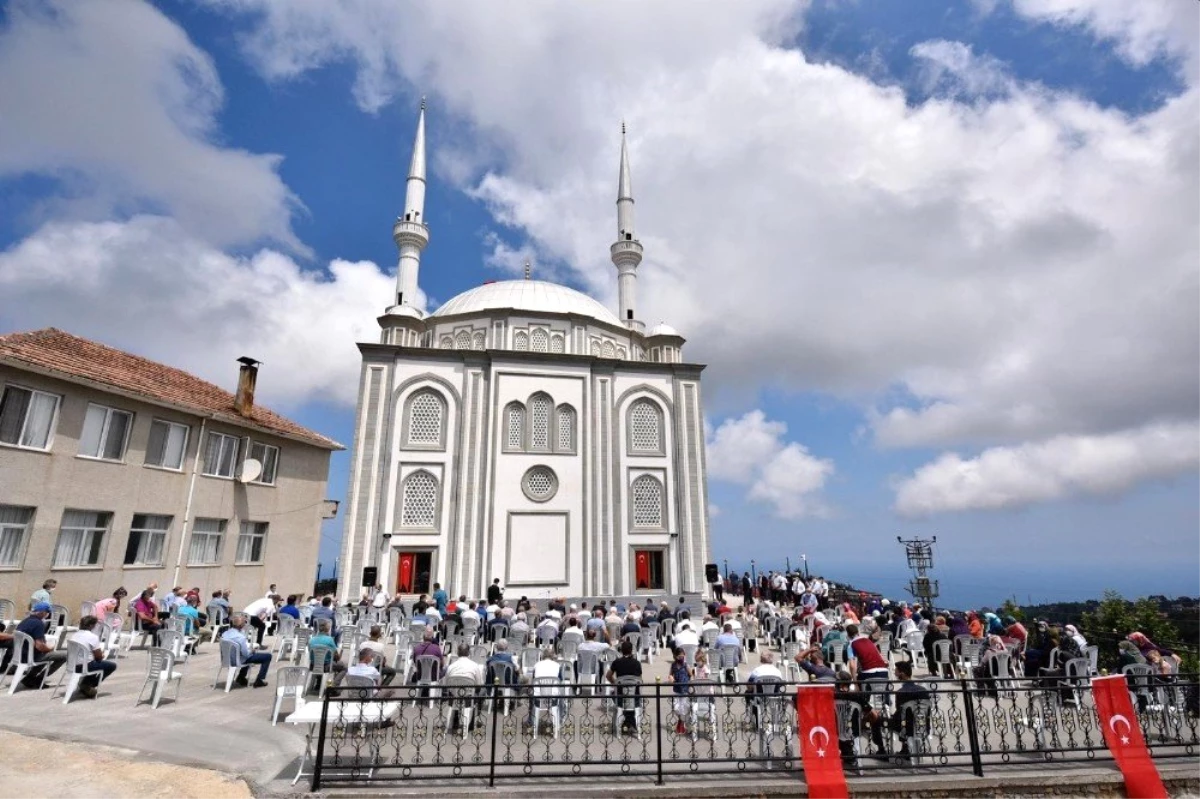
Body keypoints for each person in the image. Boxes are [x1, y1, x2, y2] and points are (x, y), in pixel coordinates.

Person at [16, 603, 67, 688]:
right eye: (48, 612)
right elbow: (39, 646)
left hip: (20, 654)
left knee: (45, 655)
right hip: (31, 656)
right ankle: (39, 679)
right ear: (43, 612)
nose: (48, 614)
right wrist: (49, 649)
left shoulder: (25, 621)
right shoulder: (38, 624)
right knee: (65, 655)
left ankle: (30, 678)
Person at [888, 661, 931, 760]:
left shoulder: (901, 692)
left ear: (902, 674)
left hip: (906, 727)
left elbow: (899, 712)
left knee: (883, 721)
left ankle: (884, 750)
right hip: (923, 724)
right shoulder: (923, 690)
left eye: (896, 671)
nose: (895, 673)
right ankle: (906, 748)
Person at [68, 615, 117, 698]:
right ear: (91, 625)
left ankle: (86, 683)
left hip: (72, 665)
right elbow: (98, 657)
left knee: (94, 663)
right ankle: (88, 685)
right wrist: (101, 655)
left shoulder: (74, 635)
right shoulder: (92, 637)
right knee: (111, 665)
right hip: (85, 666)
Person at [220, 613, 272, 688]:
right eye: (244, 623)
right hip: (237, 661)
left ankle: (241, 677)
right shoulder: (240, 637)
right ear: (241, 625)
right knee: (267, 656)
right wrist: (252, 651)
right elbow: (246, 655)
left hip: (226, 659)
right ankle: (259, 679)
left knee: (246, 655)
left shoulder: (225, 633)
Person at [606, 640, 642, 733]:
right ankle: (630, 721)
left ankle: (627, 721)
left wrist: (615, 683)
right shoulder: (637, 663)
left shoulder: (617, 662)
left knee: (613, 694)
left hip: (620, 694)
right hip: (634, 695)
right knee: (635, 700)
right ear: (631, 650)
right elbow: (640, 681)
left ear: (621, 650)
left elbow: (608, 676)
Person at [668, 647, 691, 734]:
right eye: (680, 656)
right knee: (676, 707)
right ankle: (682, 722)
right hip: (676, 688)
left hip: (685, 689)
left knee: (684, 707)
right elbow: (670, 674)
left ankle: (681, 724)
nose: (681, 658)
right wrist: (671, 678)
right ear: (675, 656)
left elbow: (691, 674)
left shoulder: (686, 665)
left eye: (683, 656)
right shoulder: (673, 665)